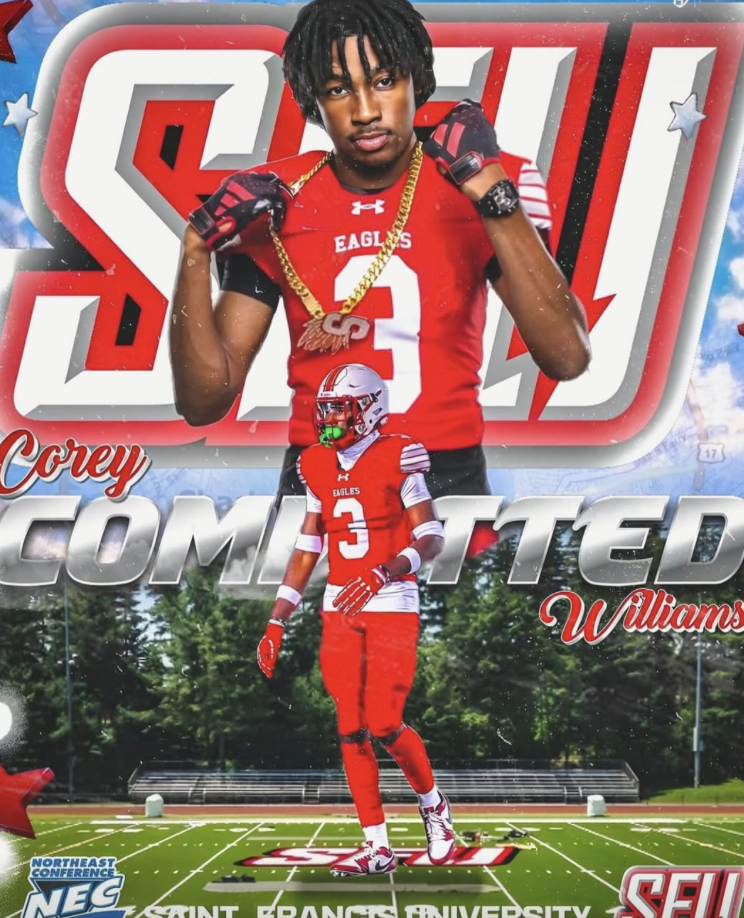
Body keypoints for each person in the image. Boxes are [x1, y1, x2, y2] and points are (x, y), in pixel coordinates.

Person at [171, 0, 590, 500]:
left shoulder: (489, 176)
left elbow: (567, 357)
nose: (366, 111)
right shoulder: (275, 198)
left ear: (415, 77)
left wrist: (488, 188)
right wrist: (195, 246)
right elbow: (202, 404)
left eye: (385, 80)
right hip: (319, 486)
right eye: (338, 89)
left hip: (446, 479)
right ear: (314, 101)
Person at [256, 363, 452, 876]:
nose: (332, 419)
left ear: (371, 409)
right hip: (340, 605)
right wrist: (278, 618)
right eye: (327, 410)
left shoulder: (397, 454)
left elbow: (430, 535)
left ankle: (433, 806)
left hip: (391, 602)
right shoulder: (316, 463)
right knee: (349, 727)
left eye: (342, 408)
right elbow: (307, 545)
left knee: (384, 722)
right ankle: (377, 845)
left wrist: (386, 572)